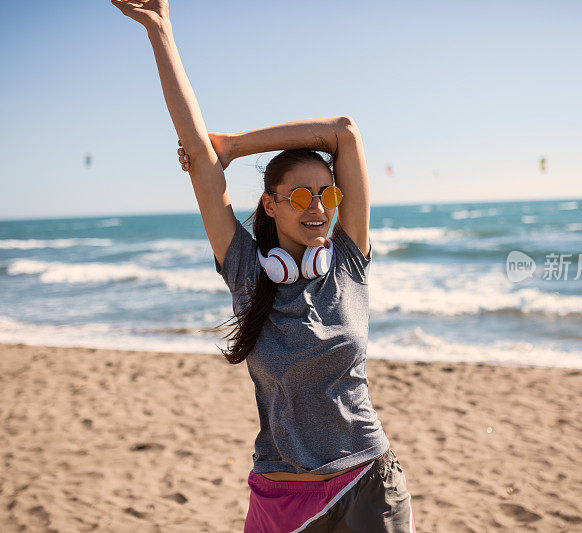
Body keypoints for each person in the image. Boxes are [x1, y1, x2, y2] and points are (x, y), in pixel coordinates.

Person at [111, 1, 416, 531]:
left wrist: (236, 146)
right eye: (300, 195)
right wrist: (160, 32)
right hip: (281, 496)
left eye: (327, 194)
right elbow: (196, 151)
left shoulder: (347, 261)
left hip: (368, 483)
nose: (318, 207)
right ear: (270, 205)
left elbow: (344, 130)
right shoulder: (248, 270)